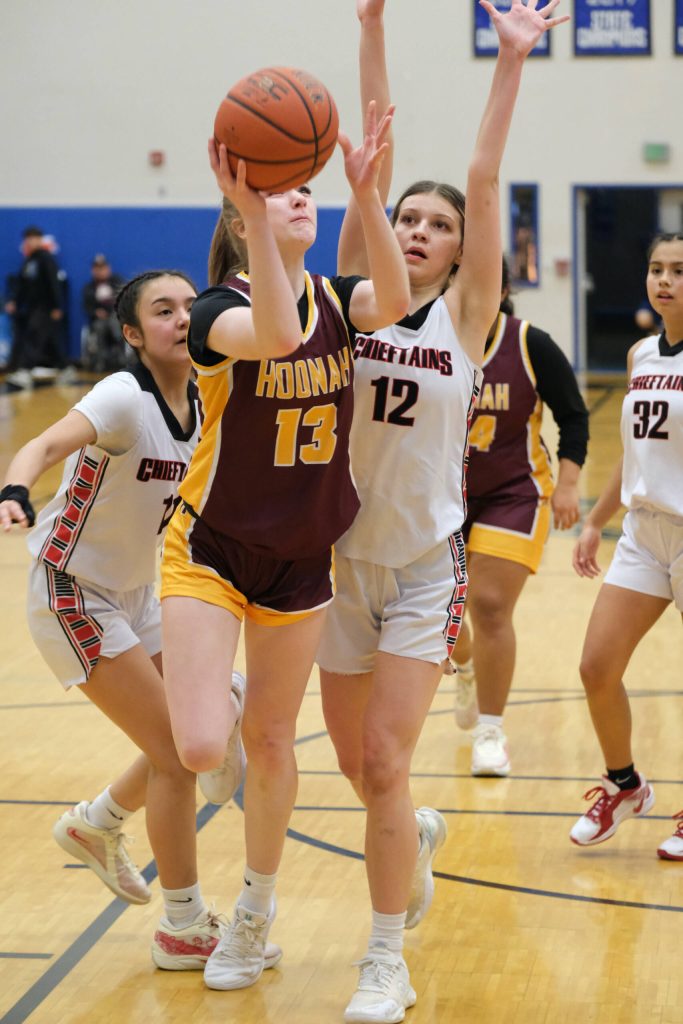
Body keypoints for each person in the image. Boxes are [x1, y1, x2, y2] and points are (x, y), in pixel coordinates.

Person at [317, 1, 570, 1021]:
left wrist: (508, 63)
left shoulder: (466, 318)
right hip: (332, 564)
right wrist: (370, 25)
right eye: (406, 220)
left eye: (438, 225)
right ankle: (408, 835)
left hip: (425, 563)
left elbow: (479, 177)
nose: (419, 230)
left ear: (462, 252)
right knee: (361, 773)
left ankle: (384, 959)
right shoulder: (355, 295)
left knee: (384, 758)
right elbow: (369, 148)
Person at [159, 102, 410, 994]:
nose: (299, 200)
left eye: (307, 191)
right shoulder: (213, 315)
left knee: (269, 742)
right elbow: (275, 336)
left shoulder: (340, 301)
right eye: (280, 192)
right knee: (197, 748)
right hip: (212, 547)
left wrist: (367, 195)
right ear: (239, 215)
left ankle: (255, 913)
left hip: (303, 556)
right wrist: (251, 216)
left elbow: (404, 297)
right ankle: (210, 678)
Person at [0, 270, 267, 971]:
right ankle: (182, 927)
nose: (182, 318)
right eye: (162, 310)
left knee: (220, 704)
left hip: (140, 593)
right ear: (131, 333)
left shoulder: (209, 404)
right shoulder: (122, 398)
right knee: (181, 752)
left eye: (188, 306)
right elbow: (47, 445)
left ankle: (99, 823)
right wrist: (14, 488)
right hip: (72, 591)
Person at [448, 256, 588, 776]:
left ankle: (491, 731)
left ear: (503, 287)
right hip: (441, 496)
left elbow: (574, 416)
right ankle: (464, 664)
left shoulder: (530, 343)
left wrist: (570, 485)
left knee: (487, 606)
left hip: (514, 491)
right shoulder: (429, 340)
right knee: (442, 614)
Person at [570, 231, 683, 861]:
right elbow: (639, 451)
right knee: (596, 667)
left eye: (678, 270)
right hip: (643, 533)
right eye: (656, 269)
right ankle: (624, 786)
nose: (663, 280)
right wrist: (596, 518)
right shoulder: (643, 354)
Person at [4, 226, 66, 389]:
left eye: (33, 238)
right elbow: (23, 285)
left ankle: (25, 371)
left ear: (40, 239)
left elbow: (54, 283)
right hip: (32, 308)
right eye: (27, 238)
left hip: (45, 306)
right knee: (48, 338)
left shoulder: (46, 259)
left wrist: (56, 306)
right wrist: (15, 301)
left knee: (34, 336)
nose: (30, 241)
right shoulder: (29, 260)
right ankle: (64, 367)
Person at [81, 254, 126, 372]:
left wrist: (113, 310)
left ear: (108, 268)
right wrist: (96, 312)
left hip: (115, 317)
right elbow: (86, 307)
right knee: (100, 328)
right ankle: (100, 360)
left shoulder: (117, 282)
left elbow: (124, 301)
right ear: (93, 270)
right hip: (98, 321)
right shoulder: (89, 288)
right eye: (97, 268)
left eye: (103, 268)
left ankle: (121, 356)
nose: (100, 271)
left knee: (115, 324)